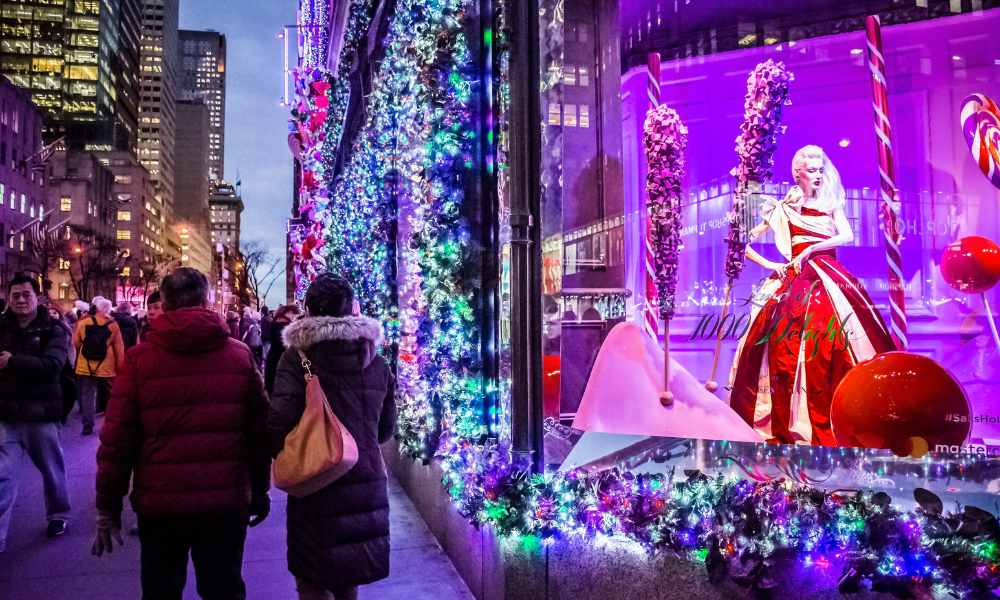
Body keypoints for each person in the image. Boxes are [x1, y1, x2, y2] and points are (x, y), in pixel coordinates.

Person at [93, 267, 271, 599]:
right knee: (224, 588)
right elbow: (259, 433)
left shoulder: (139, 360)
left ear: (166, 301)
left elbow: (117, 441)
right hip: (225, 501)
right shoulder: (239, 355)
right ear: (206, 300)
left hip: (161, 503)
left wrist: (108, 506)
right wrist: (260, 490)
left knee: (161, 589)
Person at [728, 145, 897, 446]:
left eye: (821, 168)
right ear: (798, 173)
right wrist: (772, 265)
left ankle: (850, 412)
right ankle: (790, 419)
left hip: (829, 276)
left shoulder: (832, 202)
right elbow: (741, 243)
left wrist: (809, 249)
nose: (819, 175)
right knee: (781, 346)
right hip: (793, 281)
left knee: (839, 339)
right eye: (812, 170)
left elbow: (847, 236)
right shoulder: (784, 208)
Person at [269, 274, 397, 600]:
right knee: (347, 574)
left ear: (308, 309)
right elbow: (384, 429)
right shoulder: (376, 361)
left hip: (315, 481)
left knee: (312, 577)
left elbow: (280, 422)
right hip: (364, 480)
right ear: (350, 308)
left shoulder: (297, 358)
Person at [0, 274, 73, 552]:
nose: (20, 299)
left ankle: (58, 514)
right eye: (15, 295)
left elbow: (53, 364)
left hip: (42, 414)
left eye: (26, 294)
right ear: (9, 298)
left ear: (37, 297)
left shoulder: (54, 329)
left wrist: (12, 362)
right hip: (7, 414)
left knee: (52, 469)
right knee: (3, 475)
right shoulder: (2, 326)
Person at [73, 296, 125, 436]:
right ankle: (111, 424)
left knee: (87, 394)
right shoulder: (113, 325)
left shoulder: (84, 322)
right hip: (106, 365)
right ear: (108, 309)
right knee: (110, 395)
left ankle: (87, 425)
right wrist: (120, 368)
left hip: (86, 364)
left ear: (96, 308)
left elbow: (76, 343)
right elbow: (119, 349)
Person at [264, 304, 302, 394]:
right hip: (281, 365)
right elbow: (286, 345)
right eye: (294, 313)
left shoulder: (276, 324)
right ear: (288, 313)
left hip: (274, 362)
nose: (294, 316)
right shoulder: (283, 327)